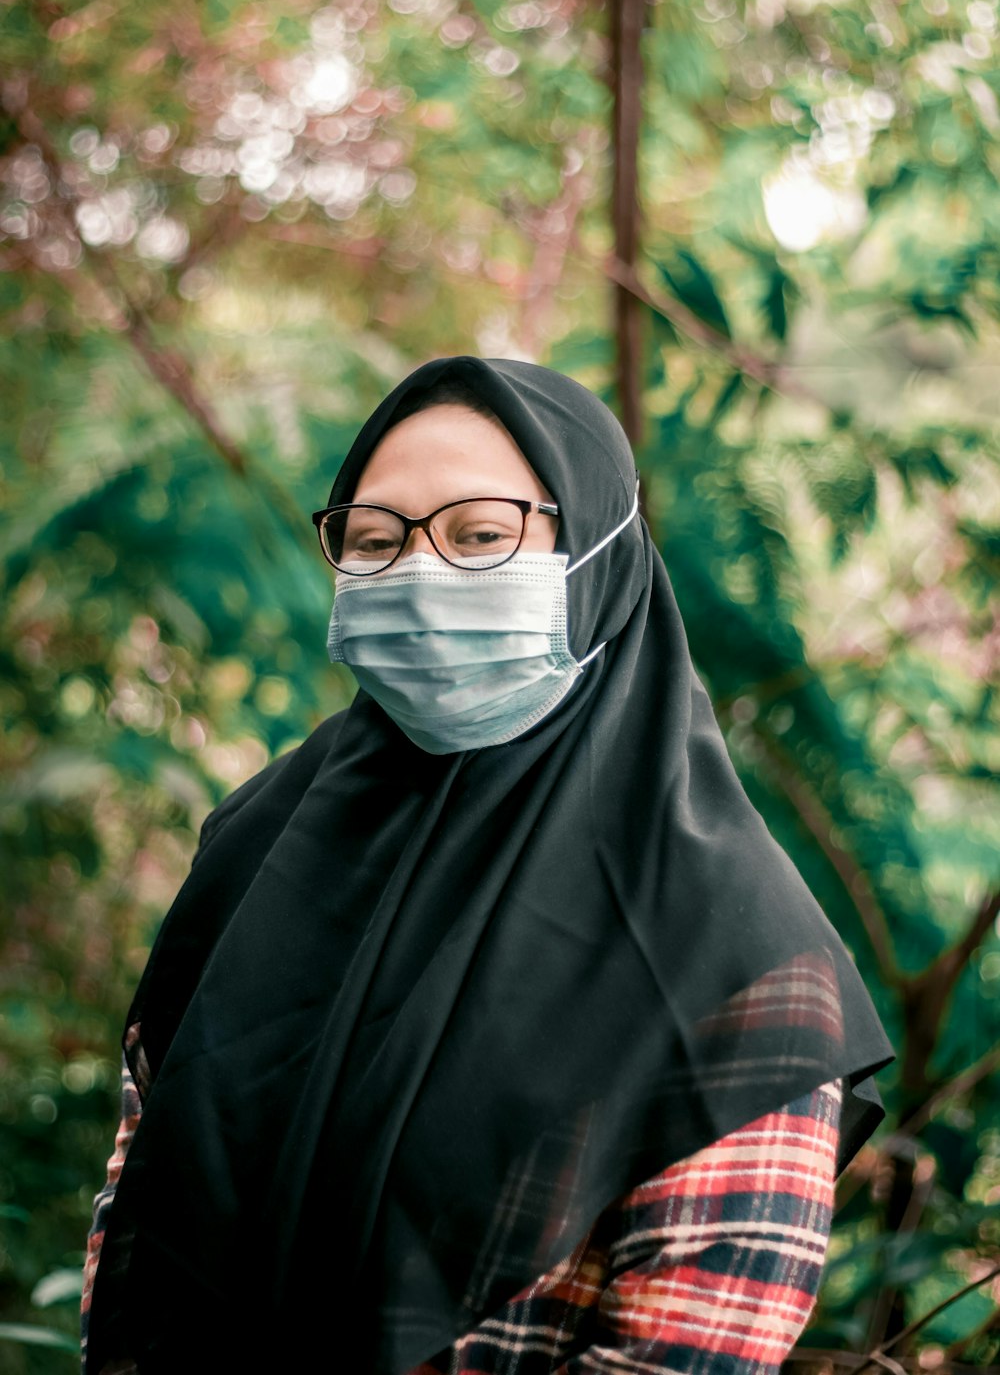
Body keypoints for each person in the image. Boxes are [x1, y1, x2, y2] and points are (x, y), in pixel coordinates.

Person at [82, 356, 894, 1375]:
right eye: (375, 542)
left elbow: (682, 1358)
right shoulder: (258, 847)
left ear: (598, 555)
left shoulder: (733, 963)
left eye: (481, 534)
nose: (421, 577)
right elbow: (139, 1204)